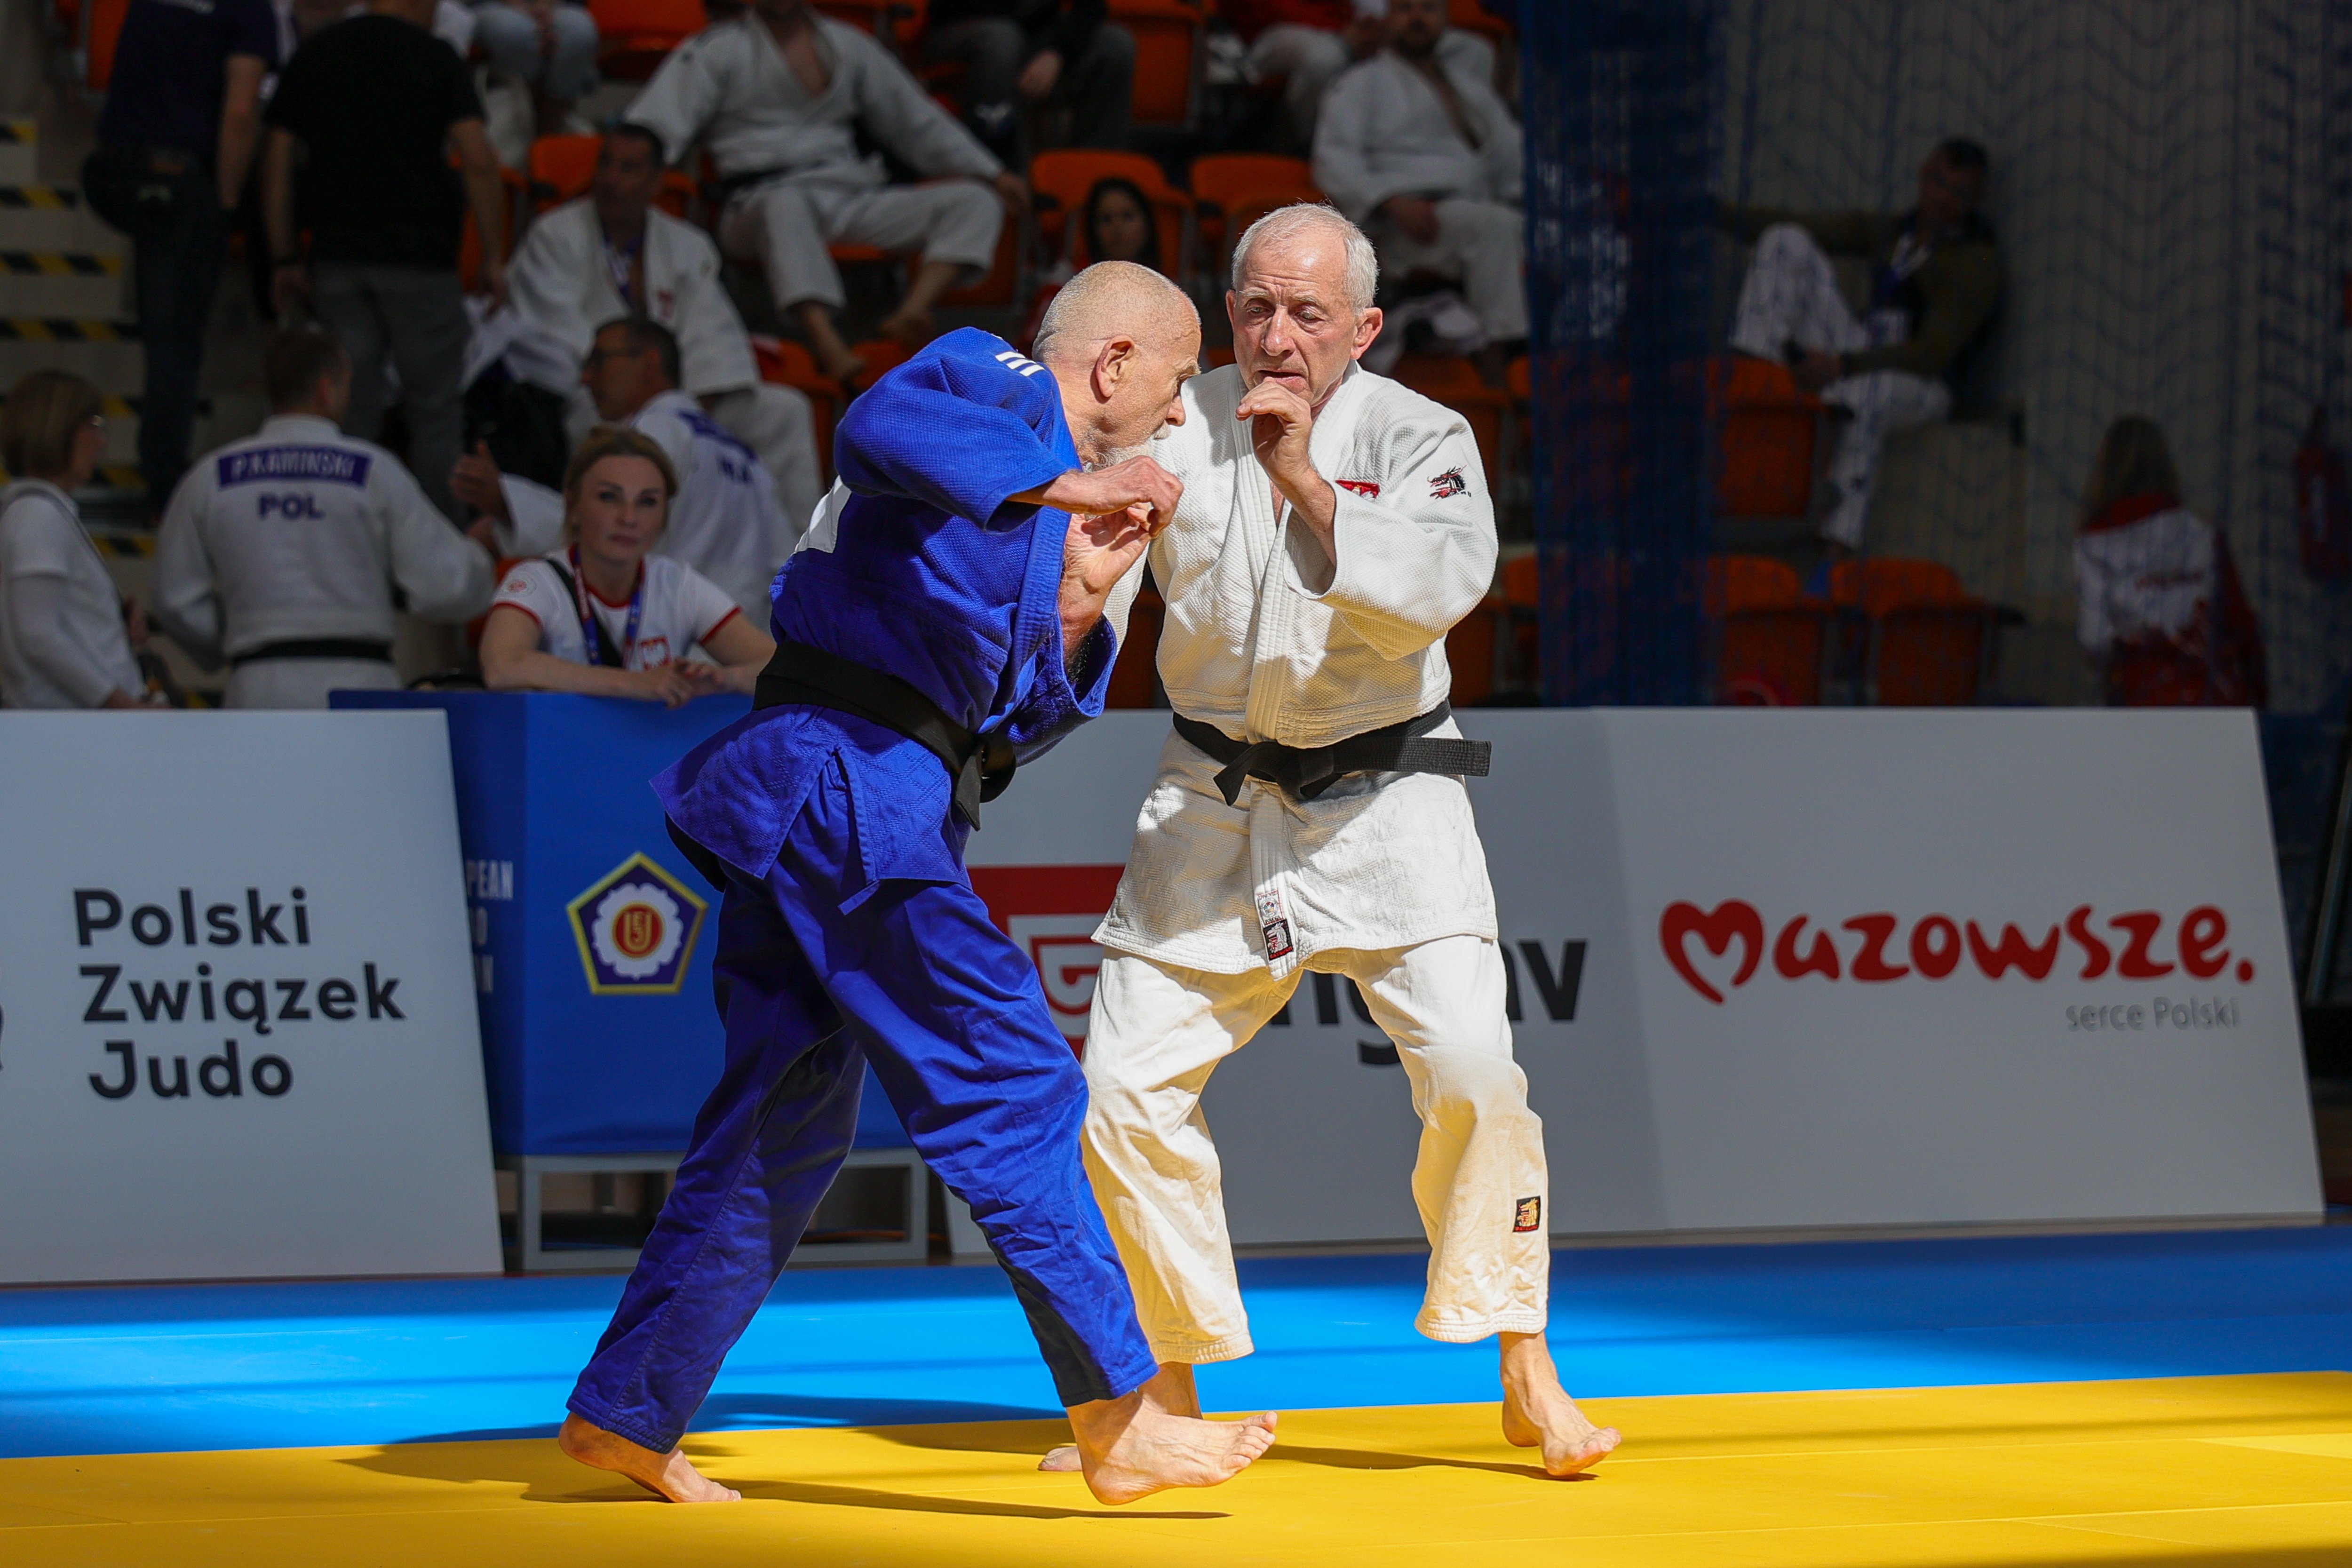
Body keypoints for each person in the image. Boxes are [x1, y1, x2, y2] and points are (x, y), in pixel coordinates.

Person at [555, 264, 1279, 1507]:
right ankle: (1118, 1416)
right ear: (1112, 360)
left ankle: (628, 1408)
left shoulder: (1043, 490)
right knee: (1016, 1081)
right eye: (1173, 381)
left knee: (783, 1120)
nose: (1176, 412)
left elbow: (1007, 730)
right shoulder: (990, 376)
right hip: (846, 783)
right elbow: (874, 425)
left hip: (857, 795)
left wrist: (1079, 603)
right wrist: (1070, 488)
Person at [1042, 206, 1621, 1482]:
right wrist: (1078, 604)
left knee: (1475, 1071)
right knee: (1120, 1091)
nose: (1277, 335)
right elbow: (1095, 588)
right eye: (1255, 307)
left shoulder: (1422, 436)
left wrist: (1306, 478)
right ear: (1226, 314)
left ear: (1362, 328)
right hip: (1214, 799)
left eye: (1307, 313)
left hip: (1390, 798)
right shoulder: (1174, 426)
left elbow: (1442, 590)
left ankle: (1525, 1360)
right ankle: (1166, 1388)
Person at [622, 0, 1026, 385]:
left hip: (846, 192)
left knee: (975, 201)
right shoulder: (717, 50)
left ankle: (912, 310)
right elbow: (656, 124)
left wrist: (991, 173)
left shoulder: (847, 44)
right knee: (784, 206)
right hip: (756, 199)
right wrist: (630, 169)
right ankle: (825, 339)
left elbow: (917, 122)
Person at [498, 127, 822, 535]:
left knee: (785, 410)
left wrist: (681, 402)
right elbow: (561, 337)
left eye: (628, 169)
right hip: (599, 396)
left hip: (683, 390)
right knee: (623, 423)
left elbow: (711, 331)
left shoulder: (687, 243)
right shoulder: (554, 235)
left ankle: (804, 551)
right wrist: (637, 392)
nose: (610, 179)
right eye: (605, 164)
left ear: (656, 183)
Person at [152, 328, 498, 708]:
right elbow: (445, 584)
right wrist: (480, 553)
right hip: (360, 681)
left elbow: (175, 600)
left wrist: (236, 634)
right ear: (326, 390)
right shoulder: (374, 471)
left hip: (259, 685)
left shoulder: (213, 476)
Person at [263, 0, 511, 522]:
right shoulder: (436, 58)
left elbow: (279, 158)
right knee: (436, 417)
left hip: (338, 260)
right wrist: (493, 256)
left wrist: (284, 253)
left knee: (346, 413)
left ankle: (344, 539)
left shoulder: (319, 52)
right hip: (422, 263)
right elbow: (478, 158)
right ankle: (443, 551)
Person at [1721, 138, 2006, 553]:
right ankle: (1756, 384)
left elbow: (1930, 355)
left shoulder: (1977, 261)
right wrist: (1710, 212)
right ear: (1923, 174)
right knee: (1786, 240)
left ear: (1975, 200)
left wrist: (1843, 365)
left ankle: (1835, 548)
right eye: (1937, 182)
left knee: (1867, 395)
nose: (1942, 198)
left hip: (1923, 384)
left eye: (1958, 193)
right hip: (1864, 354)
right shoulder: (1895, 231)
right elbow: (1809, 224)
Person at [457, 318, 798, 618]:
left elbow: (605, 526)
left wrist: (506, 501)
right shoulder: (744, 456)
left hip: (674, 640)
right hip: (742, 644)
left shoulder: (657, 429)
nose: (587, 378)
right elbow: (785, 563)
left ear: (650, 364)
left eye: (599, 361)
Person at [81, 0, 278, 511]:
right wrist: (227, 205)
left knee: (163, 332)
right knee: (175, 346)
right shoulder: (248, 9)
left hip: (119, 172)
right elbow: (241, 113)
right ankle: (165, 487)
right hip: (182, 181)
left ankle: (159, 473)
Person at [477, 427, 776, 703]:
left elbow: (782, 668)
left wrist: (726, 679)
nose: (629, 518)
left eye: (647, 502)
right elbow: (502, 666)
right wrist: (635, 684)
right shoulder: (537, 581)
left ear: (664, 515)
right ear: (573, 506)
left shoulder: (677, 583)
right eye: (609, 497)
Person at [1314, 0, 1525, 365]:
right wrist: (1390, 200)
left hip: (1474, 205)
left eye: (1428, 9)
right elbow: (1334, 158)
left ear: (1445, 21)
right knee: (1495, 228)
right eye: (1405, 9)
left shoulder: (1467, 87)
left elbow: (1511, 153)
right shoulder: (1360, 83)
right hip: (1406, 223)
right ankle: (1500, 357)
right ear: (1387, 20)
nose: (1416, 18)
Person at [2074, 415, 2267, 709]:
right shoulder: (2201, 532)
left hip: (2144, 700)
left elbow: (2094, 639)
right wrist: (2260, 700)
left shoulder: (2094, 541)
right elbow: (2240, 624)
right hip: (2214, 699)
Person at [0, 373, 156, 710]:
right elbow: (39, 636)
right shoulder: (38, 515)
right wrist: (123, 705)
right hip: (69, 725)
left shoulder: (44, 513)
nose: (102, 442)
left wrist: (113, 619)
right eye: (93, 425)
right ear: (58, 429)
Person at [924, 0, 1136, 167]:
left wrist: (1058, 53)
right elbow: (947, 9)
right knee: (1002, 40)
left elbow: (1092, 6)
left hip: (1035, 33)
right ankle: (1004, 172)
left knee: (1115, 44)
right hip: (963, 26)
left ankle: (1095, 176)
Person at [1021, 176, 1164, 348]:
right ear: (1092, 230)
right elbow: (1033, 348)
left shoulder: (1164, 286)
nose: (1117, 228)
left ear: (1147, 225)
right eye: (1106, 219)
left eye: (1127, 216)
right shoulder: (1066, 282)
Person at [470, 0, 602, 139]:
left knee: (579, 31)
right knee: (515, 32)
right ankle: (524, 118)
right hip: (489, 5)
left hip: (556, 5)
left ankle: (553, 125)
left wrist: (543, 6)